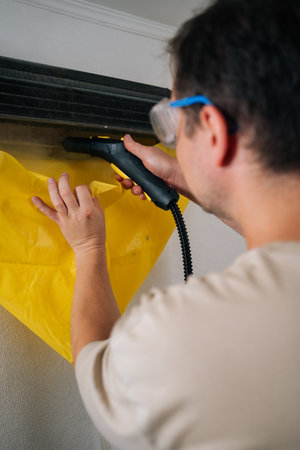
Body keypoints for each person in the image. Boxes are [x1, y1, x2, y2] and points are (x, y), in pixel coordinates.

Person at [31, 0, 300, 448]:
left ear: (213, 130)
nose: (173, 139)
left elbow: (97, 370)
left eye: (174, 122)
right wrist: (192, 178)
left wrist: (89, 251)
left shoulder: (187, 334)